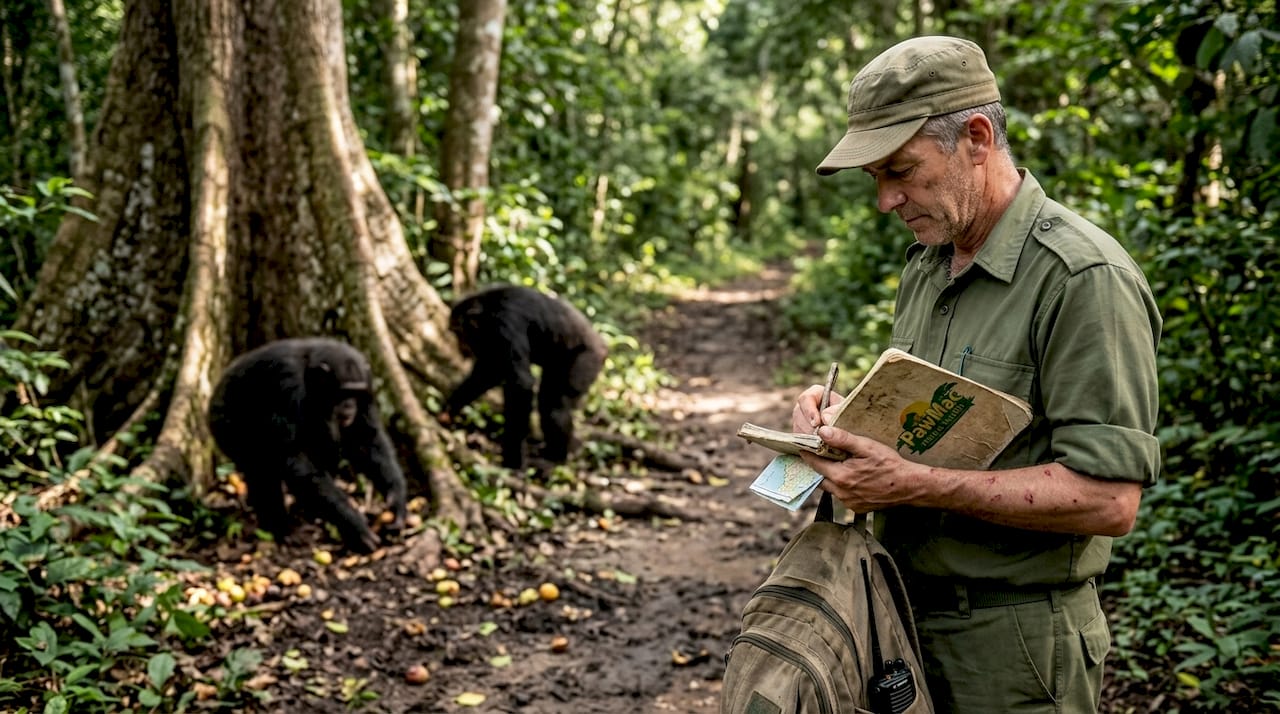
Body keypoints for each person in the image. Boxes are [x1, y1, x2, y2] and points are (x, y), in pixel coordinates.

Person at [791, 36, 1162, 713]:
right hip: (900, 619)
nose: (886, 200)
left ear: (978, 137)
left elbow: (1111, 499)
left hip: (1013, 647)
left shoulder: (1082, 278)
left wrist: (916, 485)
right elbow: (929, 421)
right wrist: (843, 422)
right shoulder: (928, 266)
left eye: (901, 170)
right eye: (875, 178)